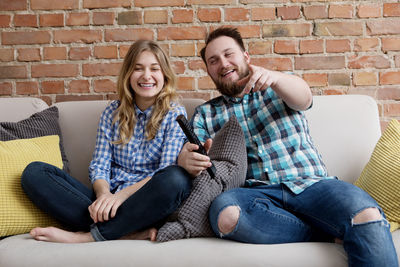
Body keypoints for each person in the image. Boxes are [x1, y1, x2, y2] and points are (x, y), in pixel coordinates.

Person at [177, 27, 398, 267]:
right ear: (209, 70)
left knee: (367, 215)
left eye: (229, 54)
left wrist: (276, 78)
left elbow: (303, 97)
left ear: (246, 57)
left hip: (313, 185)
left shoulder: (279, 87)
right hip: (257, 195)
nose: (223, 63)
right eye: (213, 60)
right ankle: (320, 233)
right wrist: (187, 161)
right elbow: (198, 156)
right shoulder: (204, 114)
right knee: (226, 215)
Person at [21, 40, 192, 243]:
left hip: (145, 205)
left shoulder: (174, 114)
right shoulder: (113, 112)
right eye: (138, 69)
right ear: (128, 75)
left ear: (164, 75)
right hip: (106, 205)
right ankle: (124, 232)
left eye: (154, 69)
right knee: (35, 172)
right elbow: (100, 165)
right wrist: (104, 196)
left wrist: (120, 198)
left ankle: (88, 237)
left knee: (176, 179)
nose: (147, 76)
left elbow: (164, 172)